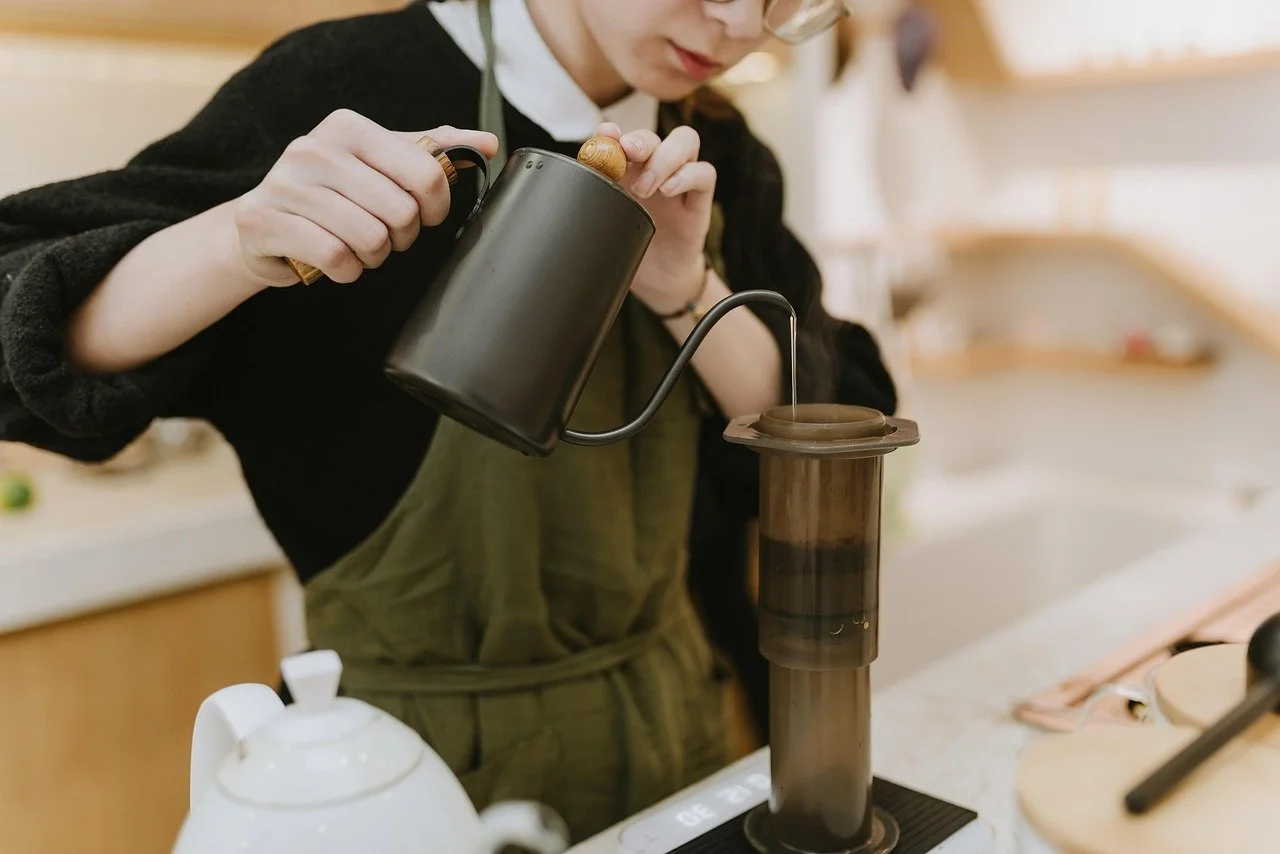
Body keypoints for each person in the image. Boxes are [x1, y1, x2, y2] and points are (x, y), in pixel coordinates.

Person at [0, 0, 894, 840]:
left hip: (684, 739)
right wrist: (236, 239)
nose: (742, 26)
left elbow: (821, 422)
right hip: (405, 779)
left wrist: (683, 290)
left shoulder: (719, 149)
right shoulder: (347, 85)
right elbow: (22, 319)